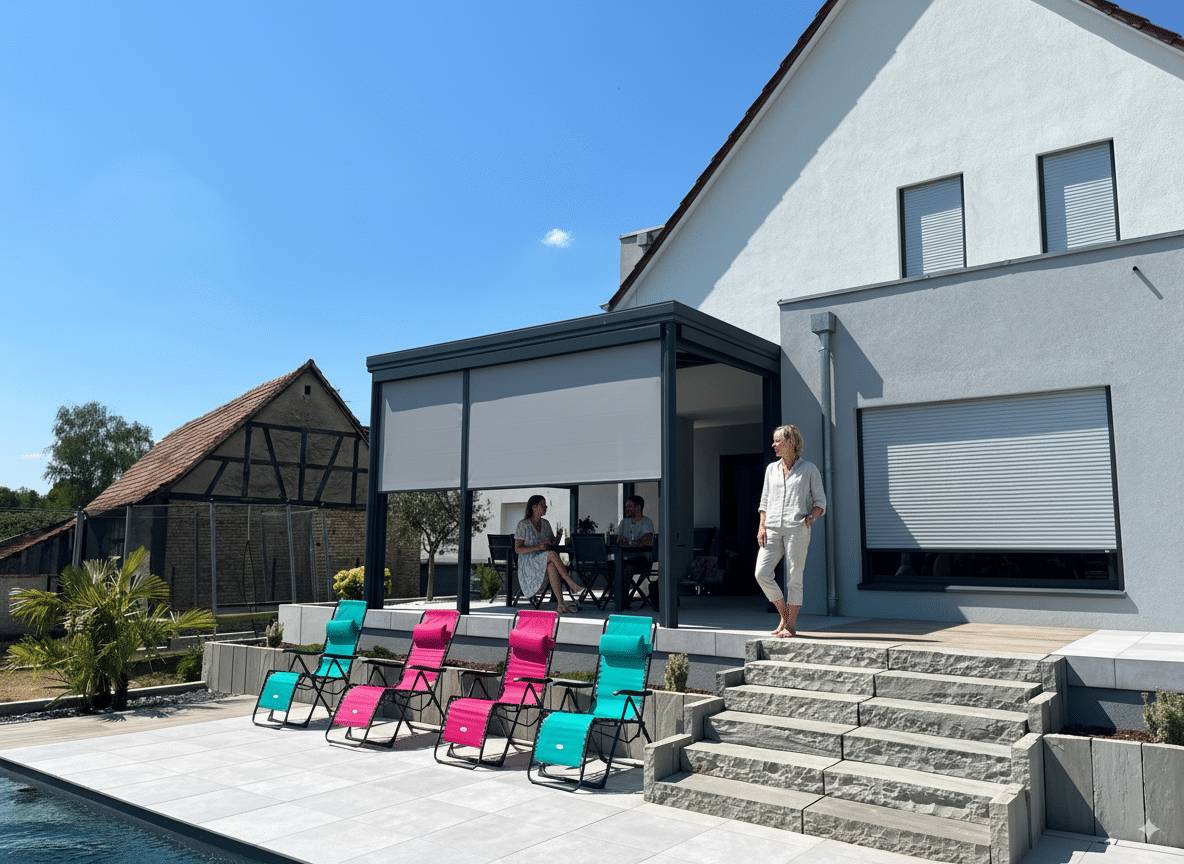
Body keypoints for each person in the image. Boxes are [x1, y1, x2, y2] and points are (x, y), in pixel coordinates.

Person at [755, 424, 826, 637]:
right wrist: (761, 526)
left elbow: (821, 501)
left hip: (797, 528)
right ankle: (785, 615)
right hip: (772, 528)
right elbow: (765, 500)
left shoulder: (809, 469)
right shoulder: (771, 469)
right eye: (774, 440)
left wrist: (810, 518)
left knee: (794, 576)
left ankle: (791, 625)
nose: (774, 444)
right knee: (762, 573)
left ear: (791, 443)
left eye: (778, 441)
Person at [514, 495, 581, 613]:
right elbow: (518, 549)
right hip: (528, 564)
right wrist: (537, 547)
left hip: (542, 562)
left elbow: (552, 543)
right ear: (534, 507)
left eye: (545, 505)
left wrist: (559, 536)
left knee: (551, 564)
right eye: (543, 505)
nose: (545, 507)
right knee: (551, 555)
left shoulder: (545, 523)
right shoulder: (523, 524)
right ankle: (570, 582)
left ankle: (560, 603)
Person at [618, 495, 655, 608]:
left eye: (630, 506)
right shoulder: (624, 522)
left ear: (638, 507)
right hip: (624, 558)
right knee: (614, 566)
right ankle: (618, 597)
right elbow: (619, 540)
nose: (627, 509)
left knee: (627, 568)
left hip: (642, 558)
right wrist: (633, 542)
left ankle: (623, 601)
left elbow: (647, 541)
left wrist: (629, 542)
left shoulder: (646, 522)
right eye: (626, 507)